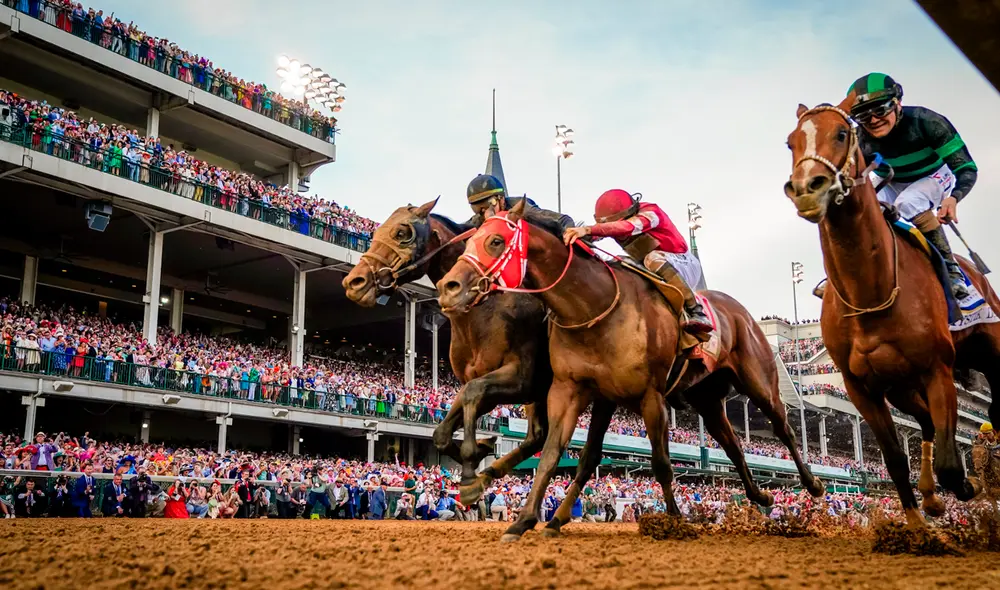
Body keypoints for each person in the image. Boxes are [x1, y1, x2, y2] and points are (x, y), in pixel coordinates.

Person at [818, 73, 976, 300]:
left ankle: (952, 271)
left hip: (934, 175)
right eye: (863, 115)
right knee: (849, 209)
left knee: (909, 202)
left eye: (880, 109)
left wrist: (954, 197)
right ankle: (844, 275)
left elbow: (966, 168)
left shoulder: (928, 122)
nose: (873, 120)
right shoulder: (859, 137)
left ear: (897, 103)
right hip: (890, 178)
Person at [562, 189, 712, 333]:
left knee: (653, 259)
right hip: (650, 263)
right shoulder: (617, 220)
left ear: (631, 212)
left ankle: (695, 310)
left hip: (684, 263)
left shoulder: (652, 213)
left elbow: (627, 226)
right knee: (619, 262)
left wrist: (589, 229)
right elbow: (599, 233)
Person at [464, 173, 575, 233]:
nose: (486, 215)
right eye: (478, 209)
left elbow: (563, 220)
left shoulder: (524, 208)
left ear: (501, 199)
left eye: (490, 205)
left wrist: (568, 232)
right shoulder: (478, 220)